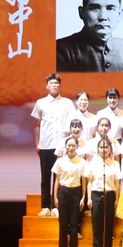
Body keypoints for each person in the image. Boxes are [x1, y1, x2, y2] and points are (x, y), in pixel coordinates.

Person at [56, 0, 123, 72]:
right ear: (82, 12)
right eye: (94, 8)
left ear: (120, 14)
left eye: (110, 8)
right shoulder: (62, 50)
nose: (103, 17)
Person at [31, 73, 77, 217]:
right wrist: (37, 143)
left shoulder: (67, 103)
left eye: (56, 83)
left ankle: (56, 206)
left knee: (59, 177)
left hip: (62, 146)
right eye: (51, 83)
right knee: (45, 176)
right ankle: (45, 206)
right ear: (47, 86)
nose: (54, 85)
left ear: (60, 85)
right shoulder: (40, 103)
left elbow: (72, 124)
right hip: (45, 145)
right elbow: (36, 125)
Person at [84, 138, 122, 247]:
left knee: (108, 224)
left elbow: (117, 183)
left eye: (106, 147)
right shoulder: (92, 163)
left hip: (110, 195)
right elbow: (89, 182)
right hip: (96, 194)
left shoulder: (115, 164)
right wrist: (89, 198)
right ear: (98, 149)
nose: (103, 150)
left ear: (110, 149)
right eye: (101, 147)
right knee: (97, 224)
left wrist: (117, 199)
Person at [52, 138, 87, 247]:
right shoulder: (60, 161)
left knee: (74, 223)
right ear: (65, 147)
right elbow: (56, 180)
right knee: (63, 223)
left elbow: (84, 181)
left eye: (73, 146)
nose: (71, 148)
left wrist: (83, 197)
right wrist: (55, 197)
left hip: (76, 192)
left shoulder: (82, 162)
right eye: (69, 145)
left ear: (77, 147)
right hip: (63, 192)